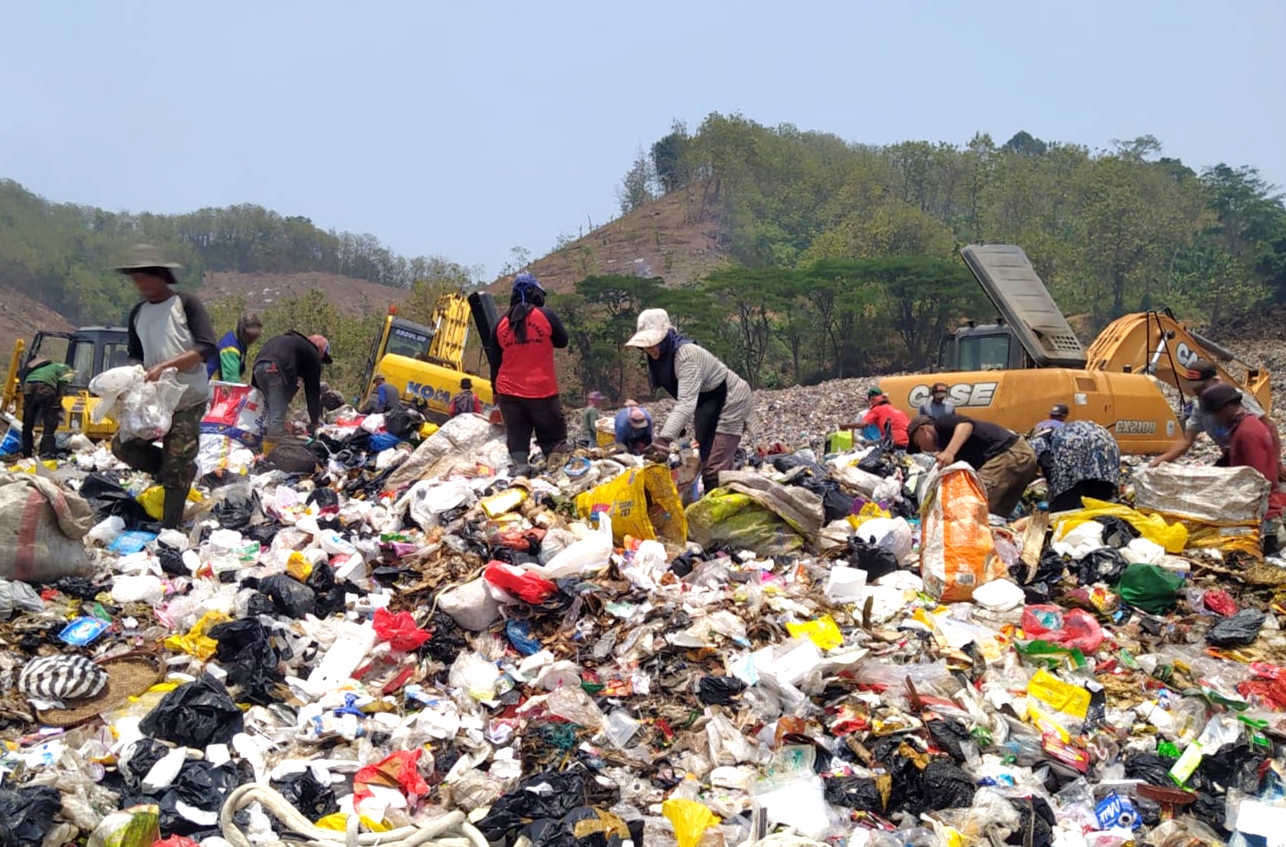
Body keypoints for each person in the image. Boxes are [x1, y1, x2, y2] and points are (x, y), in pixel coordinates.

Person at [112, 246, 218, 529]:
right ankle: (179, 470)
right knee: (124, 446)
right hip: (154, 399)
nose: (139, 284)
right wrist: (132, 374)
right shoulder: (138, 313)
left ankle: (170, 527)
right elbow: (135, 353)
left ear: (160, 276)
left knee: (177, 459)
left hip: (187, 396)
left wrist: (166, 367)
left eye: (143, 277)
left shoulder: (186, 304)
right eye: (135, 278)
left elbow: (207, 347)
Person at [625, 308, 752, 493]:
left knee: (714, 469)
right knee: (706, 453)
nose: (649, 348)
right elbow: (682, 399)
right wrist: (681, 445)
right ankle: (725, 484)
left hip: (733, 399)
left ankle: (726, 504)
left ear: (666, 336)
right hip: (707, 401)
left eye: (654, 342)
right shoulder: (659, 360)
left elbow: (685, 403)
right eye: (646, 344)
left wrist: (664, 440)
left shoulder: (686, 355)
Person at [491, 273, 571, 474]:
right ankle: (557, 472)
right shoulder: (546, 315)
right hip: (541, 391)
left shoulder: (501, 324)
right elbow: (563, 341)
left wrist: (495, 391)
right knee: (553, 436)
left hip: (508, 393)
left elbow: (495, 362)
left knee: (517, 435)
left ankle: (520, 471)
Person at [1151, 359, 1282, 475]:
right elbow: (1186, 441)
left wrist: (1276, 462)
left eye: (1201, 387)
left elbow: (1269, 426)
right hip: (1231, 457)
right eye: (1194, 388)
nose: (1197, 392)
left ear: (1216, 381)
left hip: (1253, 455)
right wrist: (1157, 463)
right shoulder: (1199, 407)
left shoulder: (1235, 400)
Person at [1199, 384, 1286, 547]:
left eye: (1217, 413)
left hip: (1263, 518)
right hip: (1261, 513)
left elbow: (1255, 479)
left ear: (1229, 407)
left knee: (1268, 561)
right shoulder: (1247, 426)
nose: (1216, 419)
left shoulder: (1246, 433)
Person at [907, 413, 1039, 518]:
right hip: (1021, 458)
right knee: (994, 515)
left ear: (923, 430)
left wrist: (949, 452)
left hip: (1008, 454)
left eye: (919, 443)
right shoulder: (948, 445)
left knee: (972, 504)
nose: (923, 449)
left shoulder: (941, 424)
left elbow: (966, 424)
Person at [253, 332, 331, 442]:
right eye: (323, 357)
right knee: (276, 420)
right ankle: (273, 453)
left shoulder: (290, 342)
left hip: (259, 368)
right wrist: (315, 422)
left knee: (268, 409)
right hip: (275, 370)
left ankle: (257, 439)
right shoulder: (312, 353)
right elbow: (312, 391)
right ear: (320, 349)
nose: (321, 361)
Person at [1030, 419, 1121, 512]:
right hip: (1107, 446)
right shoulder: (1063, 431)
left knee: (1064, 505)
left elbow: (1048, 469)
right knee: (1099, 503)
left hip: (1075, 451)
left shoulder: (1039, 441)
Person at [21, 361, 74, 458]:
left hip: (28, 385)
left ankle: (26, 453)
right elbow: (63, 383)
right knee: (49, 421)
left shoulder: (45, 369)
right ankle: (45, 453)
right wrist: (59, 397)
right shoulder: (68, 370)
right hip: (45, 388)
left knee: (28, 422)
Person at [208, 313, 263, 382]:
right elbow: (231, 379)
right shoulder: (230, 348)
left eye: (255, 335)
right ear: (242, 331)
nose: (252, 339)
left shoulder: (240, 343)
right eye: (250, 335)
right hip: (213, 385)